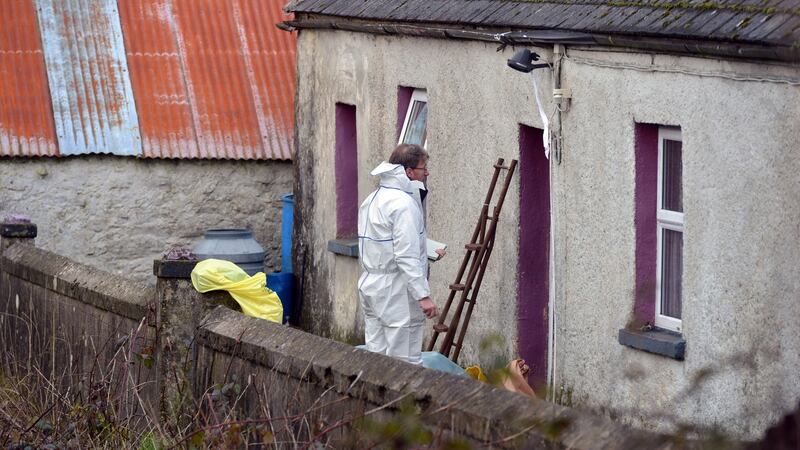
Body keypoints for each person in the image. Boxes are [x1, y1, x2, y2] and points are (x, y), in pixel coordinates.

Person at [357, 143, 439, 365]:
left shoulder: (373, 199)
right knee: (405, 363)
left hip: (371, 285)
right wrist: (423, 295)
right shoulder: (403, 204)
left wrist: (427, 249)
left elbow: (383, 243)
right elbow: (405, 255)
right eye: (423, 168)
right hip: (396, 291)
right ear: (409, 172)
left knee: (376, 359)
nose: (426, 173)